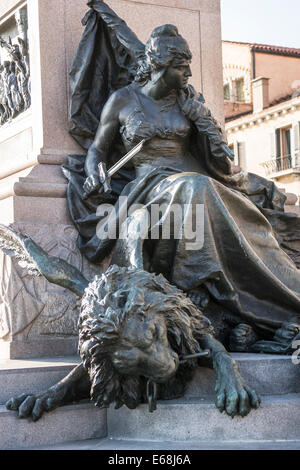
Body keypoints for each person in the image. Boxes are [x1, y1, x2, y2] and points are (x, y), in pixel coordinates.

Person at [63, 1, 300, 352]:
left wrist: (202, 121)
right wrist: (95, 169)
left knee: (238, 210)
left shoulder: (188, 102)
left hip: (191, 181)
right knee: (196, 187)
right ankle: (208, 286)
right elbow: (98, 147)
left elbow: (220, 158)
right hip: (146, 185)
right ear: (162, 66)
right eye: (183, 65)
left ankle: (280, 294)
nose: (189, 72)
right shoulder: (122, 100)